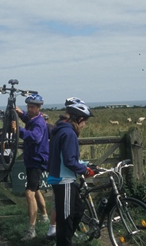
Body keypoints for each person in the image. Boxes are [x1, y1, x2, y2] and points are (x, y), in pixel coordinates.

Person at [47, 102, 95, 246]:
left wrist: (86, 165)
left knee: (78, 210)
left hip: (62, 178)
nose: (84, 125)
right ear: (79, 119)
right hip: (64, 180)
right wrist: (85, 170)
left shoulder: (61, 130)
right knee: (65, 219)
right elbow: (69, 161)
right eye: (84, 121)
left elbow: (67, 157)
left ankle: (63, 240)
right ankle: (64, 242)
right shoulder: (69, 133)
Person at [15, 93, 49, 241]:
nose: (29, 109)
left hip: (36, 161)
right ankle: (45, 217)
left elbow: (35, 137)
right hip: (32, 160)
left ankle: (31, 230)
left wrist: (18, 130)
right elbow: (27, 119)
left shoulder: (39, 123)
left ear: (39, 107)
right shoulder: (33, 118)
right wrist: (19, 112)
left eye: (32, 107)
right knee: (36, 190)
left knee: (29, 193)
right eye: (28, 106)